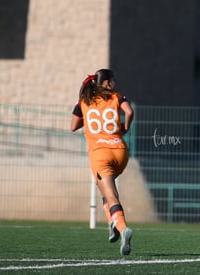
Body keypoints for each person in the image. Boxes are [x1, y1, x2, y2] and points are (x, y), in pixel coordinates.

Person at [71, 69, 134, 256]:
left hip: (100, 153)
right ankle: (111, 224)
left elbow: (73, 126)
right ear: (107, 82)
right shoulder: (117, 96)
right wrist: (126, 127)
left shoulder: (84, 101)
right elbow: (129, 112)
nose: (115, 83)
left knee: (112, 195)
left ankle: (122, 229)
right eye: (113, 80)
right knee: (105, 189)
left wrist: (89, 120)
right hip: (120, 151)